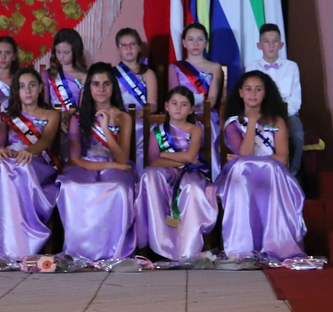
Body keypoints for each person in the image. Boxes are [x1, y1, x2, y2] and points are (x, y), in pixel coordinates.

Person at [0, 66, 61, 262]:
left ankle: (22, 245)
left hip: (38, 166)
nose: (27, 90)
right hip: (10, 166)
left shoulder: (51, 115)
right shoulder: (6, 117)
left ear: (39, 89)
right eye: (21, 86)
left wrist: (29, 151)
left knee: (21, 167)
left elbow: (45, 140)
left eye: (32, 85)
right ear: (16, 91)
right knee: (4, 167)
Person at [217, 71, 306, 260]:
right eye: (248, 89)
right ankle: (242, 247)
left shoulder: (277, 121)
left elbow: (282, 159)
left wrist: (248, 159)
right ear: (240, 92)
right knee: (242, 168)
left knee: (266, 168)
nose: (253, 94)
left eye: (258, 89)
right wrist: (252, 123)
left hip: (273, 177)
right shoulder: (233, 124)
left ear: (265, 93)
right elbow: (246, 155)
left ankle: (276, 245)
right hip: (244, 177)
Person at [56, 63, 137, 262]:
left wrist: (106, 129)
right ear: (89, 88)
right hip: (84, 165)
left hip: (115, 163)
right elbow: (74, 159)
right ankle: (78, 251)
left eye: (106, 84)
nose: (101, 89)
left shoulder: (124, 117)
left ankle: (112, 252)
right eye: (96, 84)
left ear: (113, 88)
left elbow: (122, 158)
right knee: (71, 186)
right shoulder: (77, 118)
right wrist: (114, 166)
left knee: (117, 187)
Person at [136, 86, 218, 262]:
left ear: (190, 109)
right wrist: (180, 159)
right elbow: (154, 161)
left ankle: (187, 247)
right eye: (174, 103)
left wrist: (165, 154)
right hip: (165, 172)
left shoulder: (196, 129)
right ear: (166, 106)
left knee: (192, 187)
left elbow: (190, 157)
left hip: (190, 173)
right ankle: (158, 243)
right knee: (150, 176)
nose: (178, 108)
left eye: (184, 104)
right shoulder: (156, 131)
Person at [169, 22, 226, 178]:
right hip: (181, 113)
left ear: (206, 43)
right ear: (184, 43)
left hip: (205, 112)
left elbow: (213, 97)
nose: (195, 43)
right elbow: (173, 95)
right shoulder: (175, 67)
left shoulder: (215, 67)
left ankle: (214, 177)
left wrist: (199, 108)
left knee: (211, 127)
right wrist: (186, 109)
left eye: (200, 39)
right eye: (191, 39)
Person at [248, 24, 305, 175]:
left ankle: (291, 175)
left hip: (288, 113)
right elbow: (250, 97)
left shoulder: (292, 67)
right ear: (259, 45)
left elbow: (295, 99)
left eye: (275, 41)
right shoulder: (252, 68)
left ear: (281, 44)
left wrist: (281, 114)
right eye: (266, 41)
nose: (271, 45)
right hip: (261, 114)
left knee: (297, 136)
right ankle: (258, 174)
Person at [113, 27, 158, 168]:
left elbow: (154, 104)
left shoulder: (148, 73)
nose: (128, 49)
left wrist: (140, 113)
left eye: (132, 44)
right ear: (118, 49)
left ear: (139, 47)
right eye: (123, 45)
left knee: (143, 130)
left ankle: (142, 171)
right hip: (119, 118)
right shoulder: (112, 73)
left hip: (142, 119)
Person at [37, 27, 89, 118]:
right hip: (53, 121)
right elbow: (44, 106)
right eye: (58, 52)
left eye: (66, 52)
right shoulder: (47, 75)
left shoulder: (84, 76)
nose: (61, 56)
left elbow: (84, 108)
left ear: (76, 51)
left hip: (76, 122)